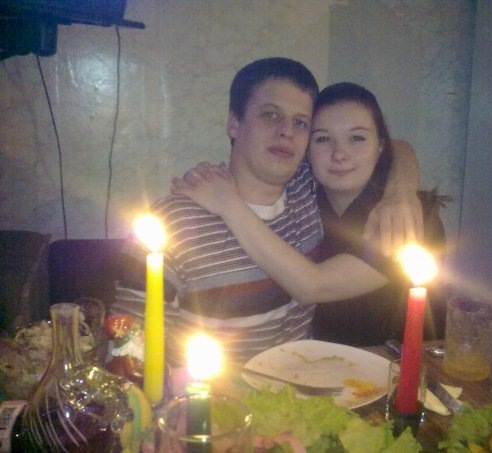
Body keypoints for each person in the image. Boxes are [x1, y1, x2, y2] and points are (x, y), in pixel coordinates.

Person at [113, 58, 420, 364]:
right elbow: (128, 351)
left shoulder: (307, 188)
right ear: (234, 123)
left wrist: (401, 192)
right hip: (209, 392)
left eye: (300, 122)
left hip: (306, 386)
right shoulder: (172, 224)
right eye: (271, 115)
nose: (286, 131)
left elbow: (395, 147)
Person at [173, 82, 418, 346]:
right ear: (307, 151)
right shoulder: (305, 189)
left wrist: (228, 204)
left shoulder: (403, 218)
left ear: (380, 147)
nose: (340, 154)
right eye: (323, 138)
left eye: (357, 138)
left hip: (394, 364)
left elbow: (312, 287)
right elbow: (400, 147)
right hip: (311, 364)